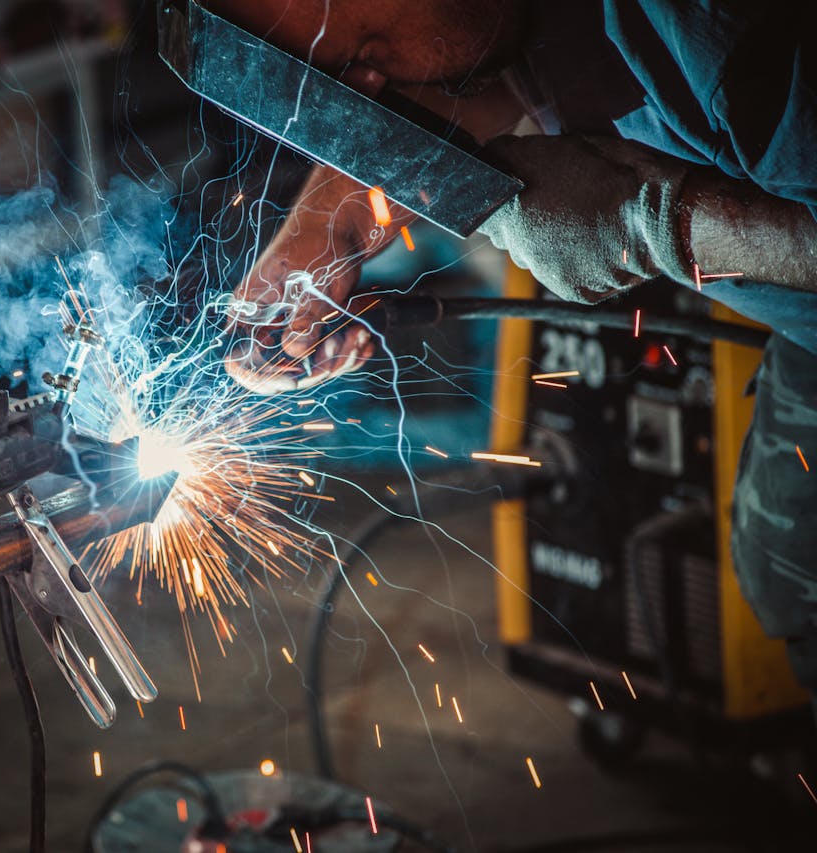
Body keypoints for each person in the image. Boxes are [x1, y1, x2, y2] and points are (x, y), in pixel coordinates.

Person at [213, 1, 817, 698]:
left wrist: (659, 221)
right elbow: (477, 76)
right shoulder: (499, 22)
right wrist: (331, 227)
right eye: (347, 73)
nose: (373, 80)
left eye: (365, 52)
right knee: (785, 560)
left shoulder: (734, 42)